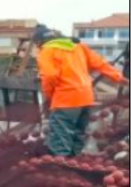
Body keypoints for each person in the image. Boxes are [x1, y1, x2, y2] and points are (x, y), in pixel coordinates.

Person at [34, 25, 128, 156]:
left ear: (39, 41)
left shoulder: (47, 51)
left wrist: (50, 96)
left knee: (61, 133)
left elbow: (49, 75)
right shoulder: (79, 47)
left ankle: (61, 167)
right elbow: (100, 63)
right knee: (78, 132)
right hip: (85, 97)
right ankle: (73, 162)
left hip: (65, 99)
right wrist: (119, 77)